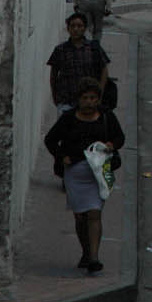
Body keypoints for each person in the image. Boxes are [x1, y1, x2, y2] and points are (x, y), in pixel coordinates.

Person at [44, 78, 125, 273]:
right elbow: (51, 140)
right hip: (76, 175)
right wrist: (62, 156)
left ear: (98, 99)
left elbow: (119, 137)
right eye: (85, 98)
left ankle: (94, 258)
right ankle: (86, 252)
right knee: (81, 216)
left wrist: (111, 145)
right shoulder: (69, 118)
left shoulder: (107, 117)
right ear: (78, 99)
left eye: (93, 98)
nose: (89, 102)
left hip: (99, 172)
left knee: (95, 213)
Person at [47, 12, 109, 114]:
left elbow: (104, 71)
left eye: (79, 26)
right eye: (73, 26)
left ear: (84, 29)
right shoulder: (60, 50)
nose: (76, 29)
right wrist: (55, 96)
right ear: (68, 29)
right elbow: (53, 74)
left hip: (89, 102)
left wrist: (99, 93)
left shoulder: (94, 48)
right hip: (66, 101)